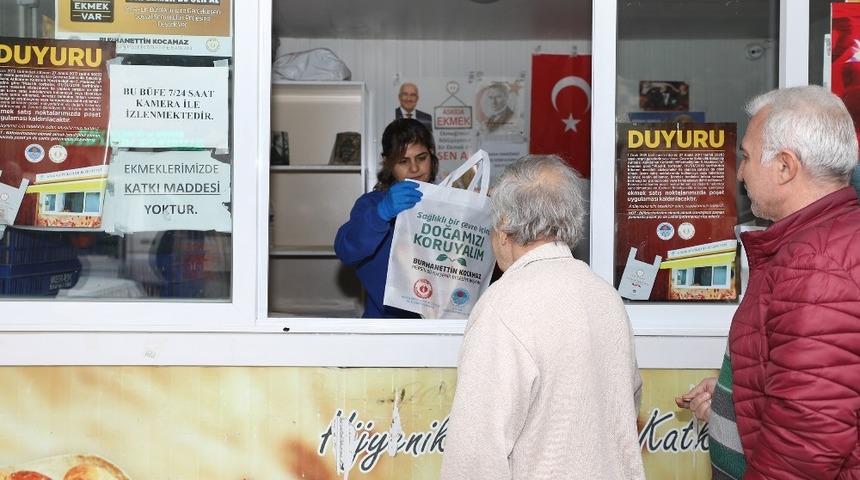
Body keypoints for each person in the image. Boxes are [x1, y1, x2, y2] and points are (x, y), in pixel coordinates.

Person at [676, 85, 860, 479]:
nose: (739, 172)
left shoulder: (817, 265)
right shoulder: (814, 245)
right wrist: (737, 395)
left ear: (785, 166)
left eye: (745, 156)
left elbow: (807, 441)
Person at [440, 155, 645, 479]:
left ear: (504, 224)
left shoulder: (503, 306)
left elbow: (476, 455)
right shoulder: (606, 296)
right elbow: (628, 404)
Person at [334, 118, 438, 318]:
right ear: (388, 162)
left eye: (421, 157)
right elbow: (345, 250)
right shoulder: (372, 204)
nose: (415, 169)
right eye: (403, 161)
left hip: (439, 328)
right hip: (384, 327)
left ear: (431, 154)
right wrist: (381, 214)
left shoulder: (450, 203)